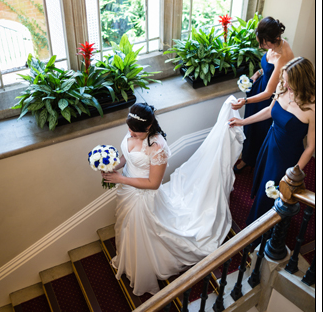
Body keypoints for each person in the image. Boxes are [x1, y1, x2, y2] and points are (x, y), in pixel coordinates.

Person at [101, 100, 244, 296]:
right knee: (127, 227)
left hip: (144, 197)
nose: (132, 134)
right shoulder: (134, 128)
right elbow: (126, 156)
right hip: (128, 192)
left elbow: (154, 183)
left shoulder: (157, 147)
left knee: (142, 230)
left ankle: (148, 265)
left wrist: (121, 179)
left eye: (136, 132)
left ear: (149, 127)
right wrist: (113, 166)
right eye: (130, 129)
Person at [229, 57, 315, 226]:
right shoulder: (282, 88)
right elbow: (269, 110)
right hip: (270, 143)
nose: (285, 84)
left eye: (289, 82)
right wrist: (242, 122)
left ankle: (260, 229)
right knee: (262, 182)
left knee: (271, 192)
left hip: (287, 157)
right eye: (284, 80)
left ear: (301, 81)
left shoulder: (313, 107)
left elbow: (310, 147)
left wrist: (293, 173)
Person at [232, 17, 294, 172]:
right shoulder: (274, 45)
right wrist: (258, 73)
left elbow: (269, 93)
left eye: (265, 44)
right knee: (250, 128)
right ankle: (246, 156)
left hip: (268, 99)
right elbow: (267, 69)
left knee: (259, 130)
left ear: (277, 38)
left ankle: (253, 160)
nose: (262, 46)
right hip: (258, 88)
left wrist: (245, 101)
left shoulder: (284, 57)